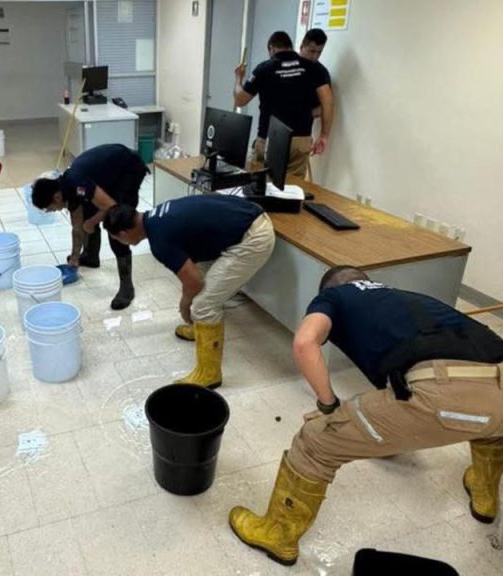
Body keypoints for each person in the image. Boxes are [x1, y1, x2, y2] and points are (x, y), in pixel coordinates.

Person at [228, 266, 503, 566]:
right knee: (493, 426)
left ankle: (278, 534)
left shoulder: (334, 296)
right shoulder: (409, 298)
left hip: (451, 398)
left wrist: (328, 405)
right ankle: (484, 497)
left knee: (316, 441)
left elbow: (304, 342)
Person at [105, 196, 275, 387]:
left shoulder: (159, 240)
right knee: (200, 281)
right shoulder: (155, 216)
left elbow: (194, 282)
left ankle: (209, 374)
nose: (122, 243)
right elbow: (191, 272)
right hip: (246, 218)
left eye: (117, 239)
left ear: (124, 234)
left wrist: (185, 304)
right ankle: (200, 329)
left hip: (253, 237)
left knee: (203, 305)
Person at [31, 143, 149, 310]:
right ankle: (91, 256)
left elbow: (112, 208)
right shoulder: (68, 190)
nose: (53, 211)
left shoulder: (77, 183)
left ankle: (126, 288)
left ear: (56, 198)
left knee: (116, 224)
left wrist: (92, 222)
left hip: (128, 168)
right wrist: (74, 258)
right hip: (108, 174)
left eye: (50, 208)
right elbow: (77, 227)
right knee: (88, 212)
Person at [234, 31, 334, 179]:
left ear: (271, 48)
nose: (315, 55)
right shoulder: (315, 68)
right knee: (293, 187)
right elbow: (328, 102)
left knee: (263, 185)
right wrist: (324, 135)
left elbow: (240, 100)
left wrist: (238, 79)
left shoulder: (264, 68)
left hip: (270, 138)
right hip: (300, 139)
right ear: (292, 47)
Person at [299, 28, 330, 122]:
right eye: (312, 51)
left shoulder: (321, 73)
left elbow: (325, 106)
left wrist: (303, 114)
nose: (315, 56)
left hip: (302, 125)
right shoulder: (286, 63)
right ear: (302, 47)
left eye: (319, 52)